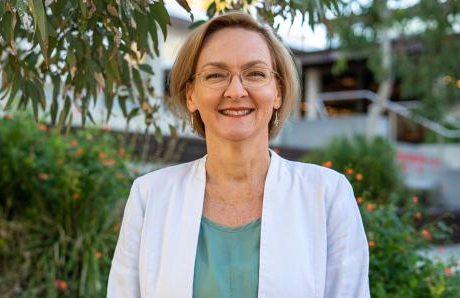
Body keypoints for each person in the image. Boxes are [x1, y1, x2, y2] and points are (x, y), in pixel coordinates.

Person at [107, 12, 370, 298]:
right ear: (191, 95)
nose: (235, 91)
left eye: (255, 73)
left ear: (278, 91)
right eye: (215, 75)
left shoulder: (328, 195)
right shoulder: (149, 197)